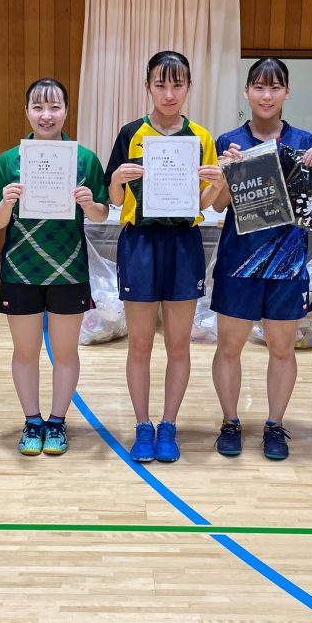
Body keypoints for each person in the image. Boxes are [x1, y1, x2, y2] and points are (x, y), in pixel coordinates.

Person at [105, 50, 221, 464]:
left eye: (177, 84)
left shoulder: (203, 138)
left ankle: (168, 425)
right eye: (160, 84)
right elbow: (114, 202)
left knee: (178, 345)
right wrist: (117, 179)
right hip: (139, 244)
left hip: (184, 243)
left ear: (189, 86)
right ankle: (142, 426)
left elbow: (207, 204)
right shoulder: (130, 134)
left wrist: (218, 182)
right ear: (148, 86)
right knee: (138, 344)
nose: (169, 93)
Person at [208, 58, 312, 460]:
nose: (266, 95)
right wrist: (227, 172)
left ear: (286, 93)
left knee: (282, 349)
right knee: (229, 347)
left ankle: (275, 426)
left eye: (275, 87)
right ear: (246, 92)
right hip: (238, 261)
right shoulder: (228, 141)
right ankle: (230, 422)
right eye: (258, 87)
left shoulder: (304, 141)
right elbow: (218, 205)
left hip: (287, 261)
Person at [0, 79, 109, 456]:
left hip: (68, 270)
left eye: (54, 107)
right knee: (25, 352)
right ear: (26, 112)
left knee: (66, 352)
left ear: (66, 112)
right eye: (38, 107)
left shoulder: (84, 159)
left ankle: (57, 422)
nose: (46, 115)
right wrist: (6, 203)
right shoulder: (9, 161)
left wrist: (90, 204)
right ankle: (32, 421)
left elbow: (103, 214)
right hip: (20, 270)